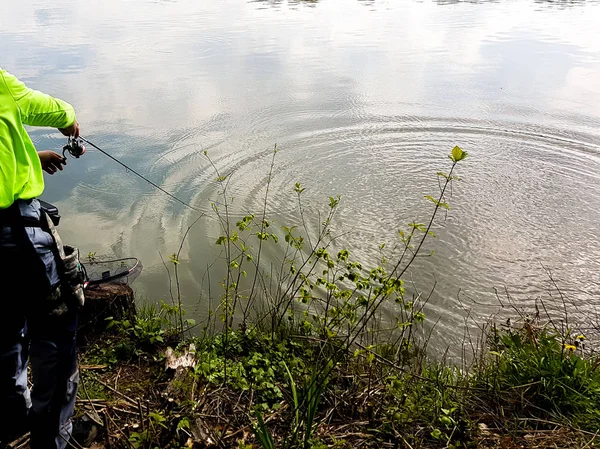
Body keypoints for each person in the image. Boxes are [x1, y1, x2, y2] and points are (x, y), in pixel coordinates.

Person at [0, 67, 83, 449]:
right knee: (54, 335)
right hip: (15, 236)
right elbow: (50, 109)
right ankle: (50, 439)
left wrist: (30, 156)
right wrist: (69, 121)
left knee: (4, 330)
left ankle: (12, 416)